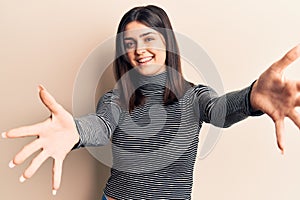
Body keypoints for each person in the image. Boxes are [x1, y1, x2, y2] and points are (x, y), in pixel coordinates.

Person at [2, 5, 300, 200]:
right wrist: (76, 131)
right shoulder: (116, 101)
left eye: (148, 39)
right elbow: (101, 125)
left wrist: (250, 98)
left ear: (166, 42)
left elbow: (219, 110)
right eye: (129, 44)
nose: (138, 50)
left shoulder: (195, 97)